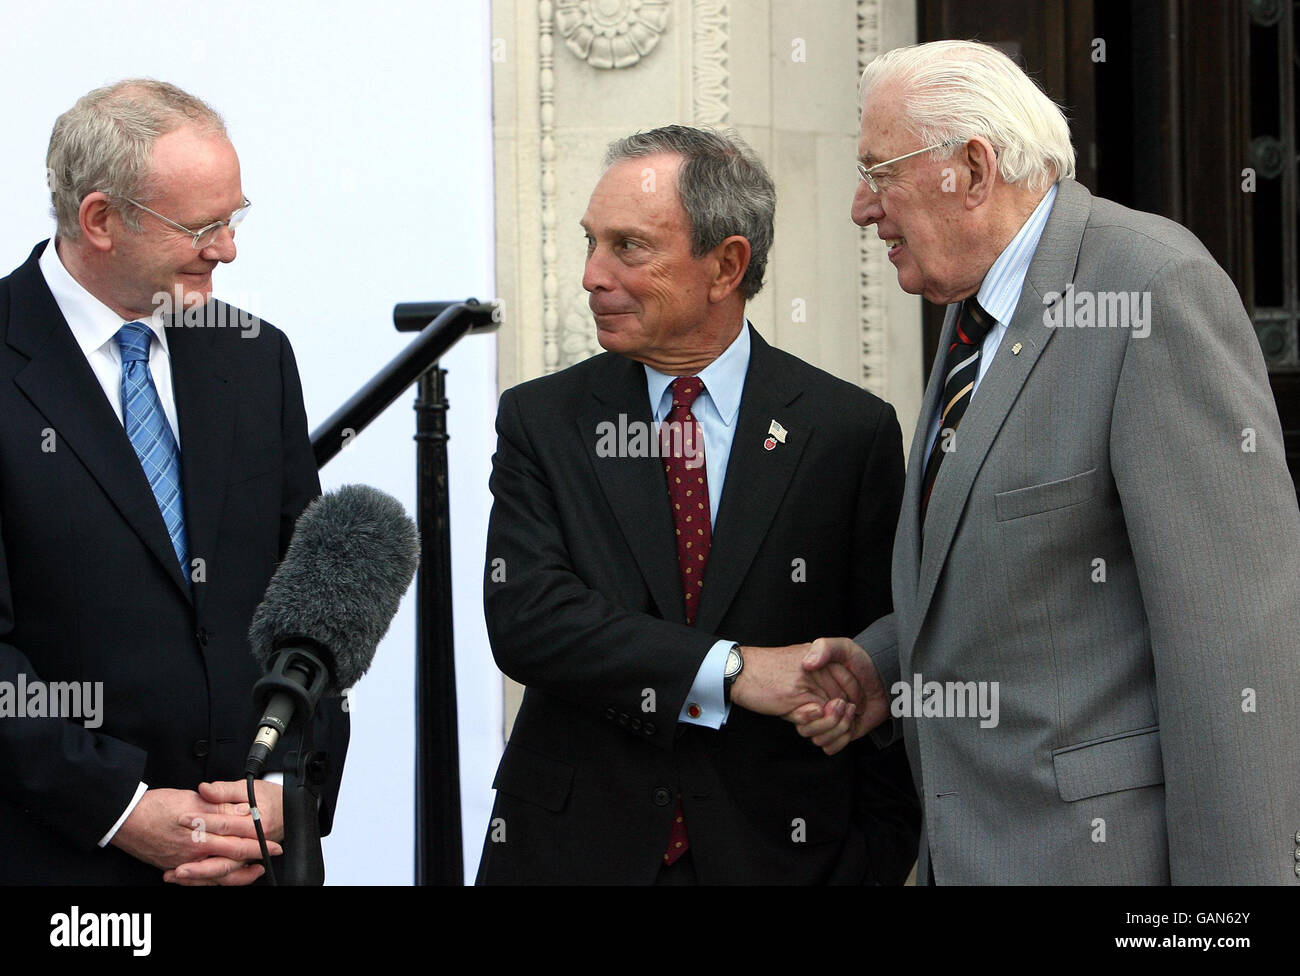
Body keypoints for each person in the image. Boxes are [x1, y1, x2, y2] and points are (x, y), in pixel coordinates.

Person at [801, 39, 1300, 884]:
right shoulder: (977, 310)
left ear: (970, 167)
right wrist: (887, 662)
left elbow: (1233, 654)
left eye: (879, 172)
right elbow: (1028, 565)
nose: (860, 207)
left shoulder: (1152, 286)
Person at [477, 124, 919, 885]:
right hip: (576, 854)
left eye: (628, 247)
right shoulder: (543, 419)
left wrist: (872, 859)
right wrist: (734, 670)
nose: (592, 274)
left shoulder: (847, 431)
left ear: (727, 266)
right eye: (591, 242)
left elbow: (886, 653)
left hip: (783, 857)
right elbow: (529, 622)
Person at [0, 80, 348, 884]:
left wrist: (291, 790)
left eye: (234, 219)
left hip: (255, 857)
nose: (227, 249)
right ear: (100, 221)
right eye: (202, 226)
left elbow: (315, 607)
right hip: (60, 864)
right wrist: (119, 808)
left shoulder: (256, 356)